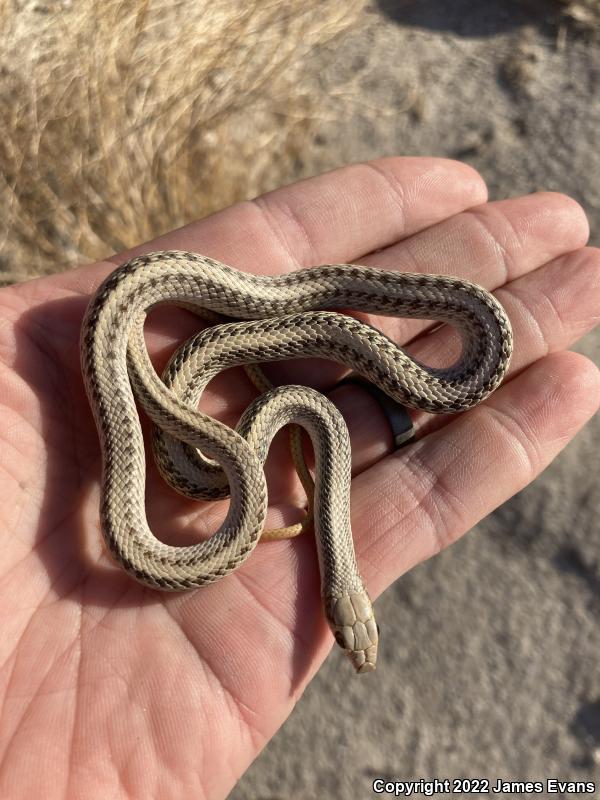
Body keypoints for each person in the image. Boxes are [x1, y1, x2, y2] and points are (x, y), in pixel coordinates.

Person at [0, 157, 598, 798]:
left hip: (255, 395)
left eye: (344, 633)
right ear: (352, 605)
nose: (345, 636)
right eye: (349, 631)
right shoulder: (284, 450)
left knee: (220, 442)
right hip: (182, 346)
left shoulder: (311, 434)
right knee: (196, 446)